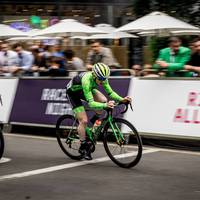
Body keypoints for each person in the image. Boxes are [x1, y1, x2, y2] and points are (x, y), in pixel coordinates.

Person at [66, 63, 131, 160]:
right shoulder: (86, 80)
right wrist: (105, 106)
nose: (103, 81)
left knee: (104, 100)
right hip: (73, 93)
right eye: (100, 79)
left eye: (105, 78)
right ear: (94, 75)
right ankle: (83, 146)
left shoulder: (103, 78)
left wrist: (122, 99)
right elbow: (91, 103)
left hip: (86, 90)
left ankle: (93, 126)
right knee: (83, 121)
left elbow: (110, 93)